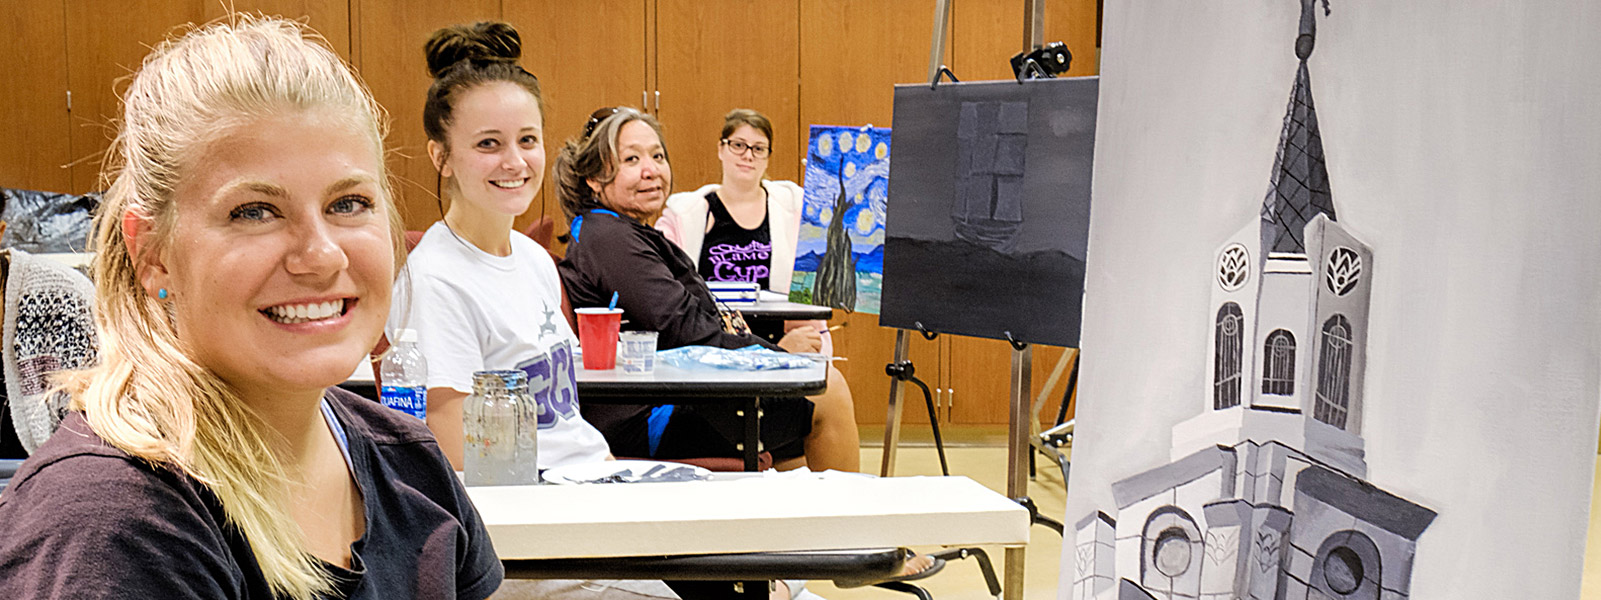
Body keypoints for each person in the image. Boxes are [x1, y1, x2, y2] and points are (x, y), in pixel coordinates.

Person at [0, 17, 502, 600]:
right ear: (153, 255)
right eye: (253, 211)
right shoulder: (109, 525)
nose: (319, 255)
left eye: (349, 202)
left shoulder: (412, 465)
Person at [555, 107, 860, 473]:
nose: (650, 169)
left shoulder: (616, 230)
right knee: (828, 391)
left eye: (657, 156)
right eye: (631, 159)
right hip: (653, 411)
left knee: (803, 425)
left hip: (681, 386)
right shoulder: (609, 239)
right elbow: (681, 325)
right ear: (594, 177)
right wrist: (777, 354)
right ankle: (847, 524)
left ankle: (805, 518)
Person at [387, 21, 610, 473]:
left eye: (527, 140)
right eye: (489, 143)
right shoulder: (434, 283)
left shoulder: (533, 260)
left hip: (594, 479)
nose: (515, 161)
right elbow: (459, 458)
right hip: (538, 509)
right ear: (441, 157)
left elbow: (568, 424)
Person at [655, 108, 833, 355]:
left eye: (758, 148)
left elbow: (814, 285)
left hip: (785, 343)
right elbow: (663, 288)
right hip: (711, 345)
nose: (748, 155)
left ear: (768, 157)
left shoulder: (797, 211)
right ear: (720, 149)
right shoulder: (684, 215)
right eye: (738, 145)